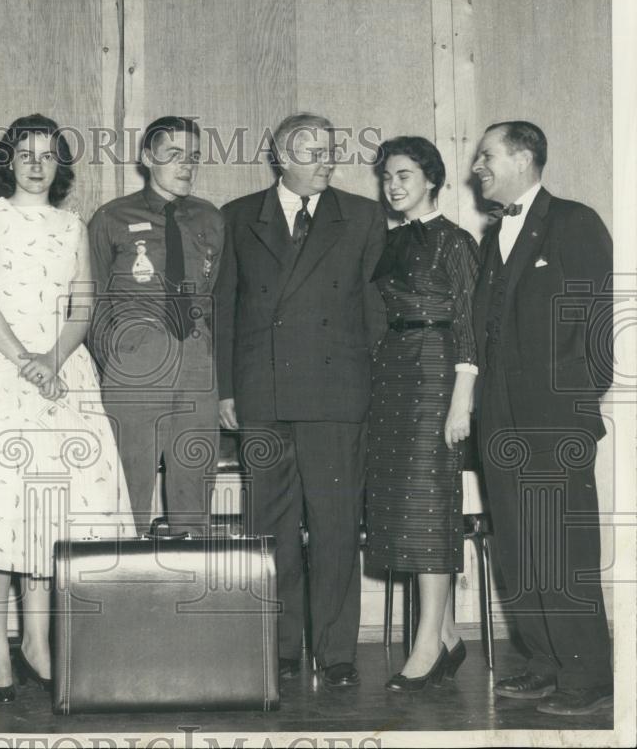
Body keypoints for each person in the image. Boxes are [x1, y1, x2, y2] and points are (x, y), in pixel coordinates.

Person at [0, 114, 134, 703]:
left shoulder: (73, 226)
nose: (36, 163)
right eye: (25, 153)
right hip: (0, 370)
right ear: (9, 161)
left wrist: (54, 357)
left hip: (61, 370)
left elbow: (83, 304)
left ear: (60, 165)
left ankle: (36, 643)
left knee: (50, 513)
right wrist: (25, 359)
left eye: (47, 154)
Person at [214, 112, 387, 687]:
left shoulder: (361, 216)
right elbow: (225, 312)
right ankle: (280, 647)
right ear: (280, 158)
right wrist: (228, 390)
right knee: (271, 526)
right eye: (311, 152)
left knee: (337, 525)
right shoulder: (238, 217)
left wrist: (373, 392)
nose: (325, 161)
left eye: (330, 151)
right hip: (263, 393)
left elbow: (376, 315)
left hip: (337, 393)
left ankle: (336, 653)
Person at [471, 121, 613, 716]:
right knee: (520, 548)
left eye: (486, 156)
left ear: (524, 157)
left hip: (554, 422)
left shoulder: (575, 222)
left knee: (563, 547)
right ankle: (543, 663)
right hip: (500, 421)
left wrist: (574, 404)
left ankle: (587, 673)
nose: (476, 167)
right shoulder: (491, 236)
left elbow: (600, 325)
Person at [365, 136, 480, 691]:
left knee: (429, 503)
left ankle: (427, 644)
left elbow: (470, 324)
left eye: (405, 175)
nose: (394, 185)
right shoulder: (389, 241)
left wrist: (463, 397)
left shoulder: (454, 241)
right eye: (388, 176)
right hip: (393, 371)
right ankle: (449, 634)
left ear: (431, 180)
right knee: (402, 505)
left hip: (437, 371)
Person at [88, 116, 225, 536]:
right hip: (136, 368)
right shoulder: (112, 218)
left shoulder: (210, 219)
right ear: (148, 157)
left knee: (195, 489)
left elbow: (213, 292)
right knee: (129, 491)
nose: (186, 166)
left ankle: (187, 590)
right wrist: (122, 356)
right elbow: (93, 302)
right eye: (174, 155)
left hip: (196, 366)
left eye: (194, 157)